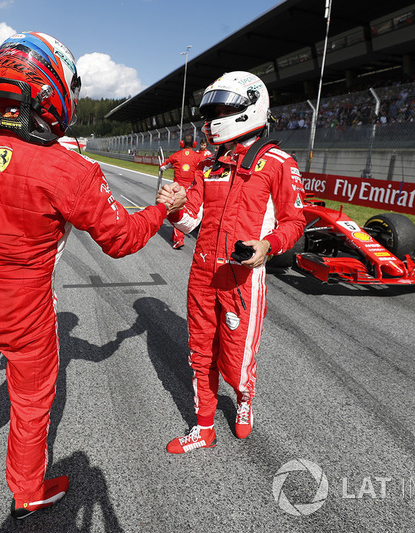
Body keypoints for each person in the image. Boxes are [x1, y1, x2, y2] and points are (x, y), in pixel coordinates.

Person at [0, 31, 185, 529]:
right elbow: (121, 239)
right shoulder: (67, 167)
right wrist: (163, 206)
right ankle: (27, 492)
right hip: (28, 314)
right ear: (49, 87)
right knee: (30, 405)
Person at [163, 71, 305, 454]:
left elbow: (295, 220)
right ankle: (203, 427)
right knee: (200, 354)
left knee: (237, 358)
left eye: (222, 110)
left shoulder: (277, 162)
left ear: (250, 107)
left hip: (242, 278)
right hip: (202, 275)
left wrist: (269, 245)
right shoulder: (209, 164)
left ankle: (244, 400)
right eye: (210, 111)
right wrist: (174, 208)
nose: (212, 120)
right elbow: (191, 220)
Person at [159, 133, 200, 249]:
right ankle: (175, 235)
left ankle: (178, 239)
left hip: (178, 189)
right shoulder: (198, 157)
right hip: (192, 189)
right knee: (189, 212)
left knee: (177, 212)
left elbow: (162, 167)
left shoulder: (176, 155)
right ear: (194, 144)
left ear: (182, 143)